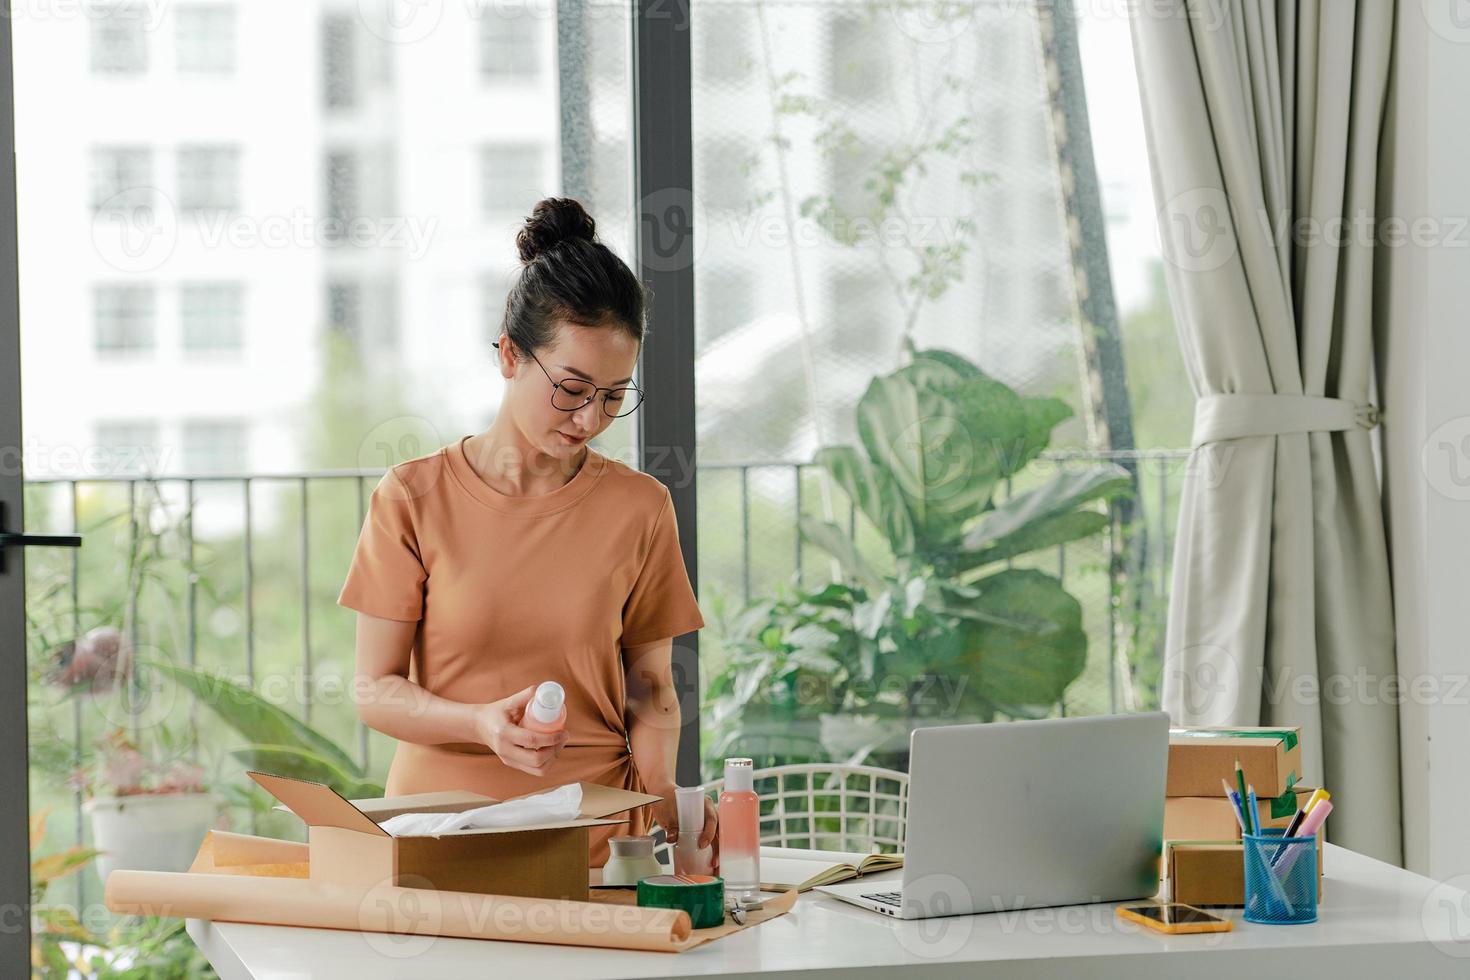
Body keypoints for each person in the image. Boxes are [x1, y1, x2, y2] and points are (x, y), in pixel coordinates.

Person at [337, 196, 717, 870]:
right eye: (571, 388)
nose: (590, 417)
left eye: (612, 394)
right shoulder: (413, 497)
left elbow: (651, 688)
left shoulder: (640, 508)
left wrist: (664, 795)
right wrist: (479, 724)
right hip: (439, 841)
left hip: (597, 848)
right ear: (511, 355)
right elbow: (375, 689)